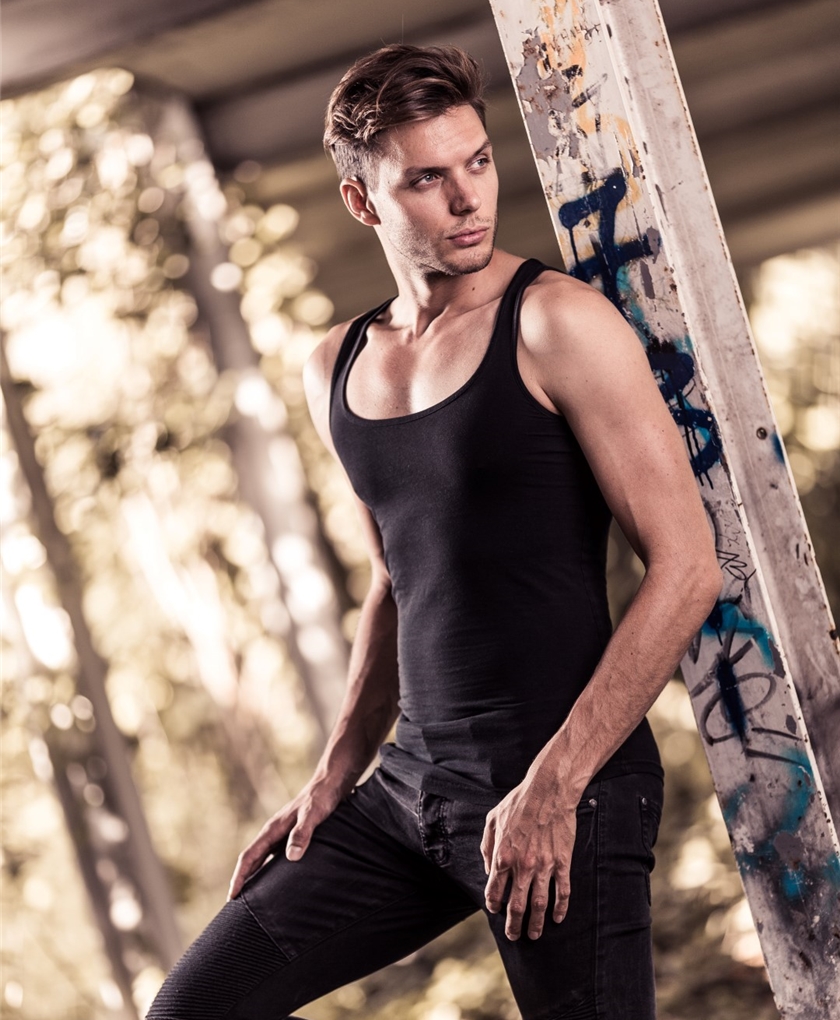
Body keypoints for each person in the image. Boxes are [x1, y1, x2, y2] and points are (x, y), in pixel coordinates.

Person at [148, 44, 721, 1020]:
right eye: (425, 179)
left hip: (562, 794)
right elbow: (395, 579)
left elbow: (687, 568)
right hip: (409, 792)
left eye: (477, 163)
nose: (467, 200)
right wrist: (338, 768)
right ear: (362, 201)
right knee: (190, 1009)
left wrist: (555, 787)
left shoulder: (554, 324)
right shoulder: (335, 366)